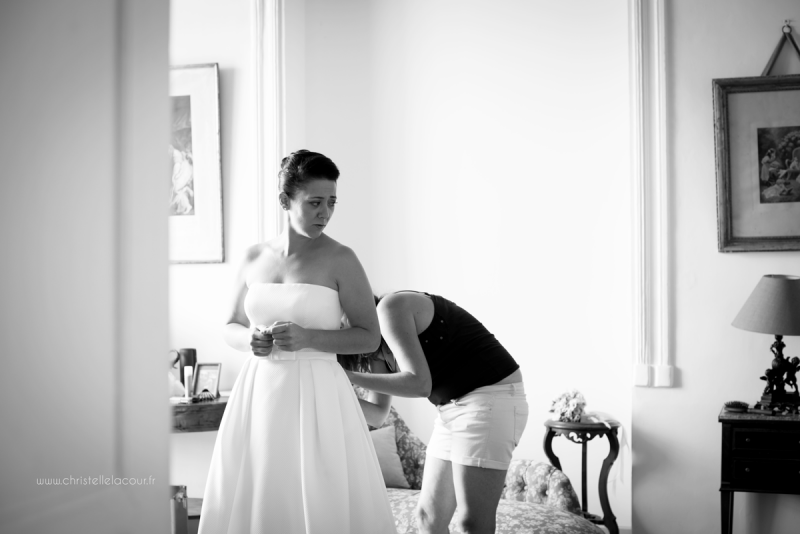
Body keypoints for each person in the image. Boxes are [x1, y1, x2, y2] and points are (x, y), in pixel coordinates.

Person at [198, 150, 397, 534]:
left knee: (319, 492)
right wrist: (249, 340)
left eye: (332, 203)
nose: (325, 212)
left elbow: (368, 335)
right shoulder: (253, 257)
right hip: (259, 392)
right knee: (261, 487)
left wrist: (308, 338)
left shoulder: (342, 259)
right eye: (315, 202)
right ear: (284, 201)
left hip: (318, 393)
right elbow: (229, 325)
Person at [341, 291, 528, 534]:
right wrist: (337, 391)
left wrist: (347, 377)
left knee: (472, 523)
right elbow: (377, 413)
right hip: (450, 408)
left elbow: (420, 384)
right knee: (427, 518)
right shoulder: (374, 349)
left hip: (489, 398)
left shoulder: (390, 308)